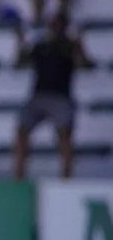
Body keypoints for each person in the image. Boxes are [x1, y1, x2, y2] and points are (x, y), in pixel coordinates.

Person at [14, 13, 94, 180]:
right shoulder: (41, 46)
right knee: (21, 131)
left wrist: (81, 45)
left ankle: (66, 177)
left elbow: (87, 65)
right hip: (38, 96)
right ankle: (18, 177)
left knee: (65, 134)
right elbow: (20, 63)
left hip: (61, 98)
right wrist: (19, 41)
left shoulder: (70, 46)